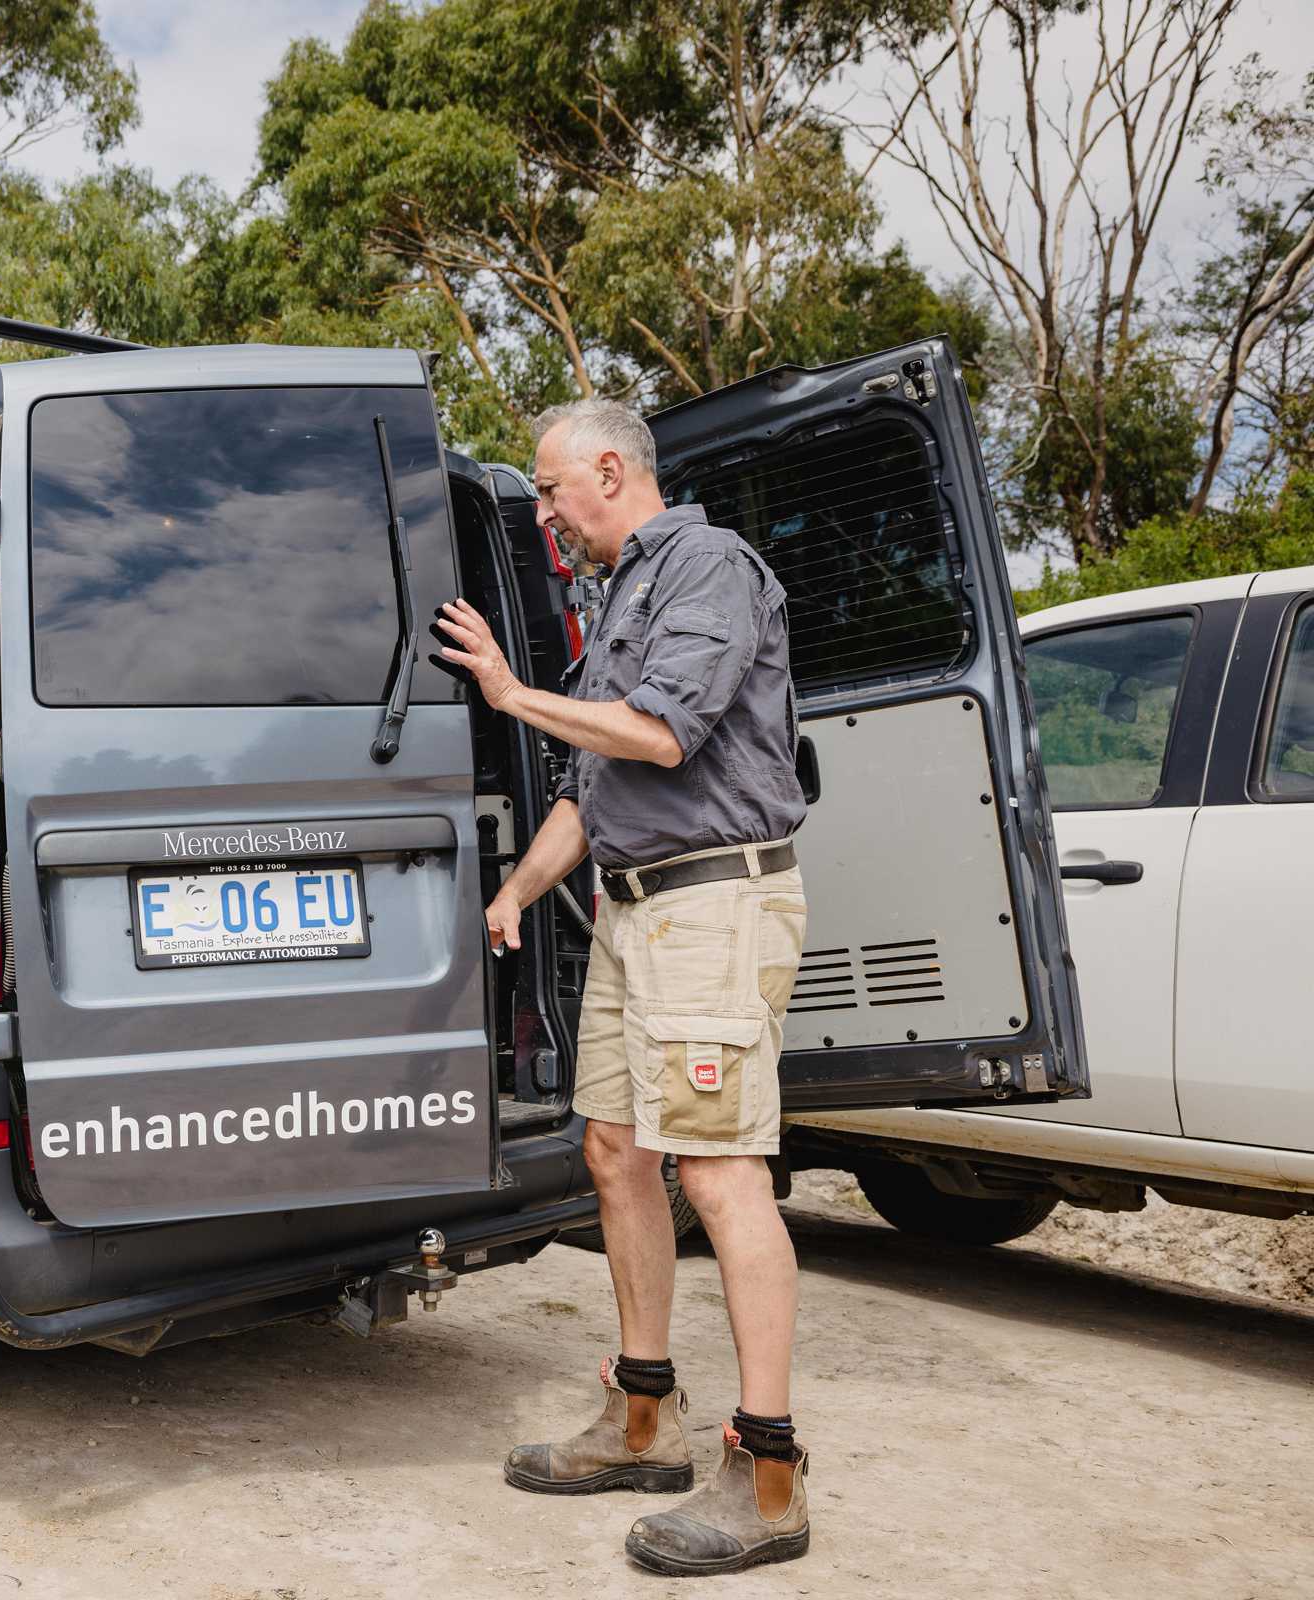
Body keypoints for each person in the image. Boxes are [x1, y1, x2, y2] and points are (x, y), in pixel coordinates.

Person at [431, 397, 813, 1577]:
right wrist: (517, 888)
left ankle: (769, 1469)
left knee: (718, 1166)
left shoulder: (707, 567)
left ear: (610, 468)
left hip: (714, 904)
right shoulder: (622, 595)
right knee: (613, 1149)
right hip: (636, 908)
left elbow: (658, 735)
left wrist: (507, 692)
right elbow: (595, 790)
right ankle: (645, 1414)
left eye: (549, 489)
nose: (542, 510)